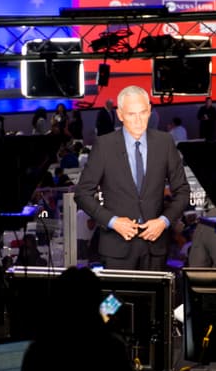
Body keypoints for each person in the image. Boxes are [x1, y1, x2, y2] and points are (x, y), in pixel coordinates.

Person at [74, 85, 190, 270]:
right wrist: (113, 221)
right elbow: (82, 194)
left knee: (155, 299)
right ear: (120, 115)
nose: (138, 121)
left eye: (143, 113)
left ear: (150, 110)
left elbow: (183, 191)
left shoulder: (164, 142)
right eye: (131, 114)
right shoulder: (104, 145)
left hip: (155, 247)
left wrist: (164, 221)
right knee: (114, 300)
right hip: (116, 248)